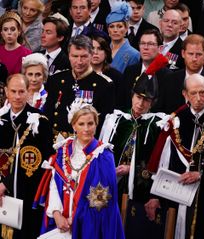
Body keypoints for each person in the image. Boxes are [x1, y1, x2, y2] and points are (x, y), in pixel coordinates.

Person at [148, 74, 204, 238]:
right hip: (174, 193)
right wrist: (155, 195)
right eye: (193, 93)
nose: (199, 98)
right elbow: (164, 160)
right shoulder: (176, 120)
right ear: (185, 94)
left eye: (202, 92)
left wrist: (201, 175)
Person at [35, 96, 125, 239]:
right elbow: (54, 185)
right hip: (61, 223)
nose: (86, 129)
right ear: (73, 125)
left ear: (96, 125)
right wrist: (57, 214)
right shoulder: (63, 150)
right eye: (81, 124)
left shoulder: (104, 155)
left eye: (90, 123)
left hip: (91, 225)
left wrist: (75, 219)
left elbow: (102, 200)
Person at [100, 69, 167, 239]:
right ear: (132, 96)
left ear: (153, 102)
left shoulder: (158, 125)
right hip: (111, 185)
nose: (141, 103)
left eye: (146, 100)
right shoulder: (115, 119)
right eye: (138, 97)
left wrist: (133, 169)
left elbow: (161, 162)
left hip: (140, 190)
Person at [0, 73, 54, 239]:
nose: (17, 96)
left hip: (28, 193)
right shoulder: (1, 121)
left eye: (21, 91)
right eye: (13, 91)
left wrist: (6, 184)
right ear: (6, 92)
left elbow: (45, 160)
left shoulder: (39, 121)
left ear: (28, 92)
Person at [44, 35, 115, 140]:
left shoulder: (104, 85)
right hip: (55, 142)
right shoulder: (56, 79)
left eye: (84, 56)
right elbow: (48, 114)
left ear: (91, 55)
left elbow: (103, 125)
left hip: (84, 144)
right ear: (69, 55)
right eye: (75, 56)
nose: (79, 61)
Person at [157, 34, 204, 114]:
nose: (194, 59)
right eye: (190, 54)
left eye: (198, 54)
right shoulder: (169, 80)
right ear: (183, 53)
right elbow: (159, 111)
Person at [123, 28, 170, 110]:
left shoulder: (168, 76)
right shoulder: (130, 71)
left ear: (160, 48)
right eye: (142, 43)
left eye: (150, 44)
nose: (145, 47)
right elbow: (123, 101)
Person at [106, 1, 140, 73]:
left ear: (126, 28)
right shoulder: (104, 50)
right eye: (112, 26)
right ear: (108, 30)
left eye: (119, 26)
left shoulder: (134, 54)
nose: (115, 30)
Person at [91, 35, 124, 109]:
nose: (95, 52)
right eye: (92, 48)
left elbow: (120, 104)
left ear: (106, 53)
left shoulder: (117, 77)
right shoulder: (81, 74)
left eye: (99, 49)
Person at [0, 11, 32, 75]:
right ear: (1, 32)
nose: (9, 33)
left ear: (19, 31)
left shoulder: (27, 54)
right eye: (5, 29)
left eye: (12, 29)